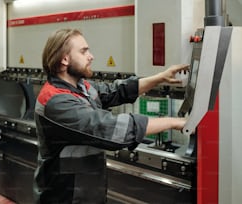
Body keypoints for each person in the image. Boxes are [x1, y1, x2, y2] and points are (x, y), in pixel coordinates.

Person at [34, 28, 189, 204]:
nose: (91, 56)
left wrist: (160, 77)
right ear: (64, 59)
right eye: (84, 51)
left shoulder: (81, 87)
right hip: (64, 196)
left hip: (87, 191)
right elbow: (110, 128)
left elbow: (115, 91)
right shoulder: (56, 101)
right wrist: (174, 122)